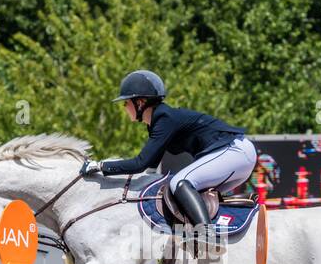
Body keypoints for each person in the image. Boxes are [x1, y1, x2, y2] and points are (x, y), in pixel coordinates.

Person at [81, 70, 257, 248]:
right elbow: (150, 165)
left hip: (234, 151)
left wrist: (100, 165)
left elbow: (139, 163)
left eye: (126, 102)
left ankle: (206, 234)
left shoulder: (164, 118)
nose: (124, 107)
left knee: (180, 182)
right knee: (192, 196)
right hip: (237, 156)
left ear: (140, 102)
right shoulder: (159, 121)